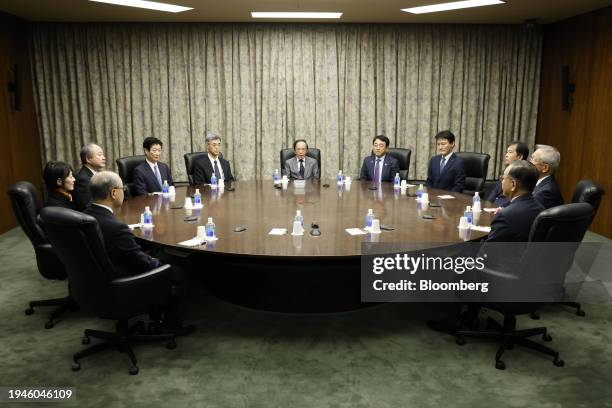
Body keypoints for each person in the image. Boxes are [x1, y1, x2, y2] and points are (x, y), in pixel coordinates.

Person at [84, 171, 192, 334]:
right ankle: (170, 325)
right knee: (180, 270)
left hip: (94, 281)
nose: (125, 191)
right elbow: (141, 262)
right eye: (123, 188)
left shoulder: (86, 216)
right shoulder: (116, 227)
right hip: (121, 282)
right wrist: (163, 264)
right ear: (114, 193)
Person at [486, 160, 543, 242]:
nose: (501, 182)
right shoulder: (542, 209)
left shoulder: (504, 216)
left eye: (503, 178)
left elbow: (487, 252)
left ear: (513, 184)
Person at [488, 141, 530, 207]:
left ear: (519, 157)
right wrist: (487, 205)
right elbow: (495, 193)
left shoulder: (524, 175)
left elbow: (514, 199)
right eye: (507, 152)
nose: (506, 155)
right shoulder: (506, 171)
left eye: (510, 152)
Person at [73, 143, 106, 211]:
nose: (104, 158)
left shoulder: (95, 174)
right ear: (88, 159)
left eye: (103, 155)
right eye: (99, 155)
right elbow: (87, 206)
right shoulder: (83, 179)